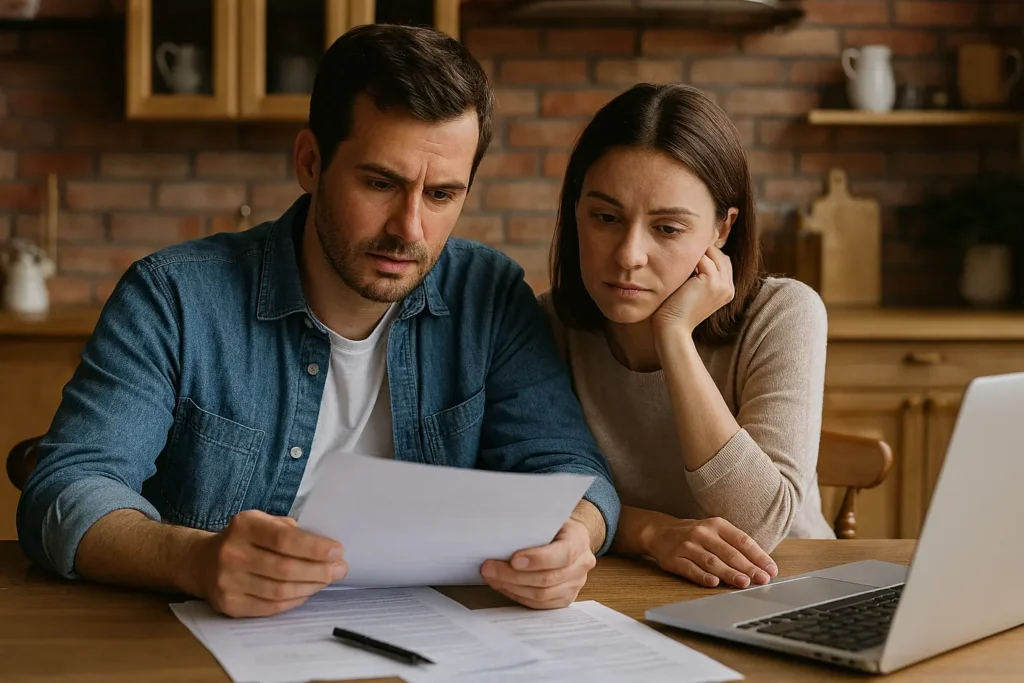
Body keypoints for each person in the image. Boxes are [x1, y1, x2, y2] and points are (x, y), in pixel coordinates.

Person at [17, 24, 619, 617]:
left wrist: (574, 539)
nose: (409, 229)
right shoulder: (172, 296)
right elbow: (66, 490)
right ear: (310, 161)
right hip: (206, 640)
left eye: (441, 195)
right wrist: (195, 561)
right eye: (381, 183)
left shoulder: (489, 295)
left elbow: (575, 474)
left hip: (431, 637)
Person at [541, 83, 834, 592]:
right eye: (605, 218)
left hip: (784, 585)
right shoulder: (547, 325)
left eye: (668, 228)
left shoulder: (784, 313)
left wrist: (674, 334)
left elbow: (760, 526)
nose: (630, 254)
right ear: (576, 212)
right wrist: (652, 532)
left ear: (722, 229)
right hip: (620, 588)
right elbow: (529, 496)